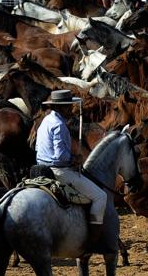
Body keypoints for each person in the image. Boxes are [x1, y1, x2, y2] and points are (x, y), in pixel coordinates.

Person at [34, 89, 108, 253]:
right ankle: (94, 242)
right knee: (100, 196)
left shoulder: (45, 121)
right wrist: (75, 159)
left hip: (40, 168)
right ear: (62, 108)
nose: (71, 109)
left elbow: (38, 148)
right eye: (69, 106)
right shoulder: (59, 125)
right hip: (59, 171)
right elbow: (60, 157)